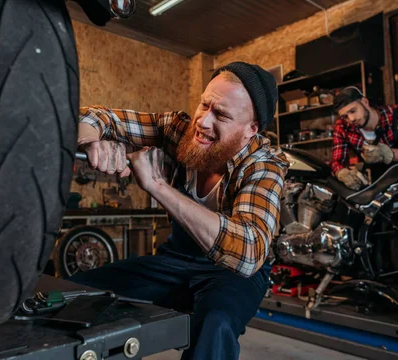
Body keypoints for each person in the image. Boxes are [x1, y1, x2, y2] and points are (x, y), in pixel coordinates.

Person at [68, 61, 288, 360]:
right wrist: (90, 141)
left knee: (216, 324)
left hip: (233, 275)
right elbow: (97, 116)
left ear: (251, 129)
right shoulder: (179, 130)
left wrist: (158, 186)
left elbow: (248, 253)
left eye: (221, 114)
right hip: (177, 260)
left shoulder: (263, 166)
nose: (204, 121)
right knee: (76, 294)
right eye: (204, 104)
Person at [331, 86, 398, 190]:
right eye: (345, 116)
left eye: (353, 111)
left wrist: (389, 154)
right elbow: (336, 162)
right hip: (377, 188)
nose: (351, 119)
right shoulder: (343, 127)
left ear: (365, 102)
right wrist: (342, 173)